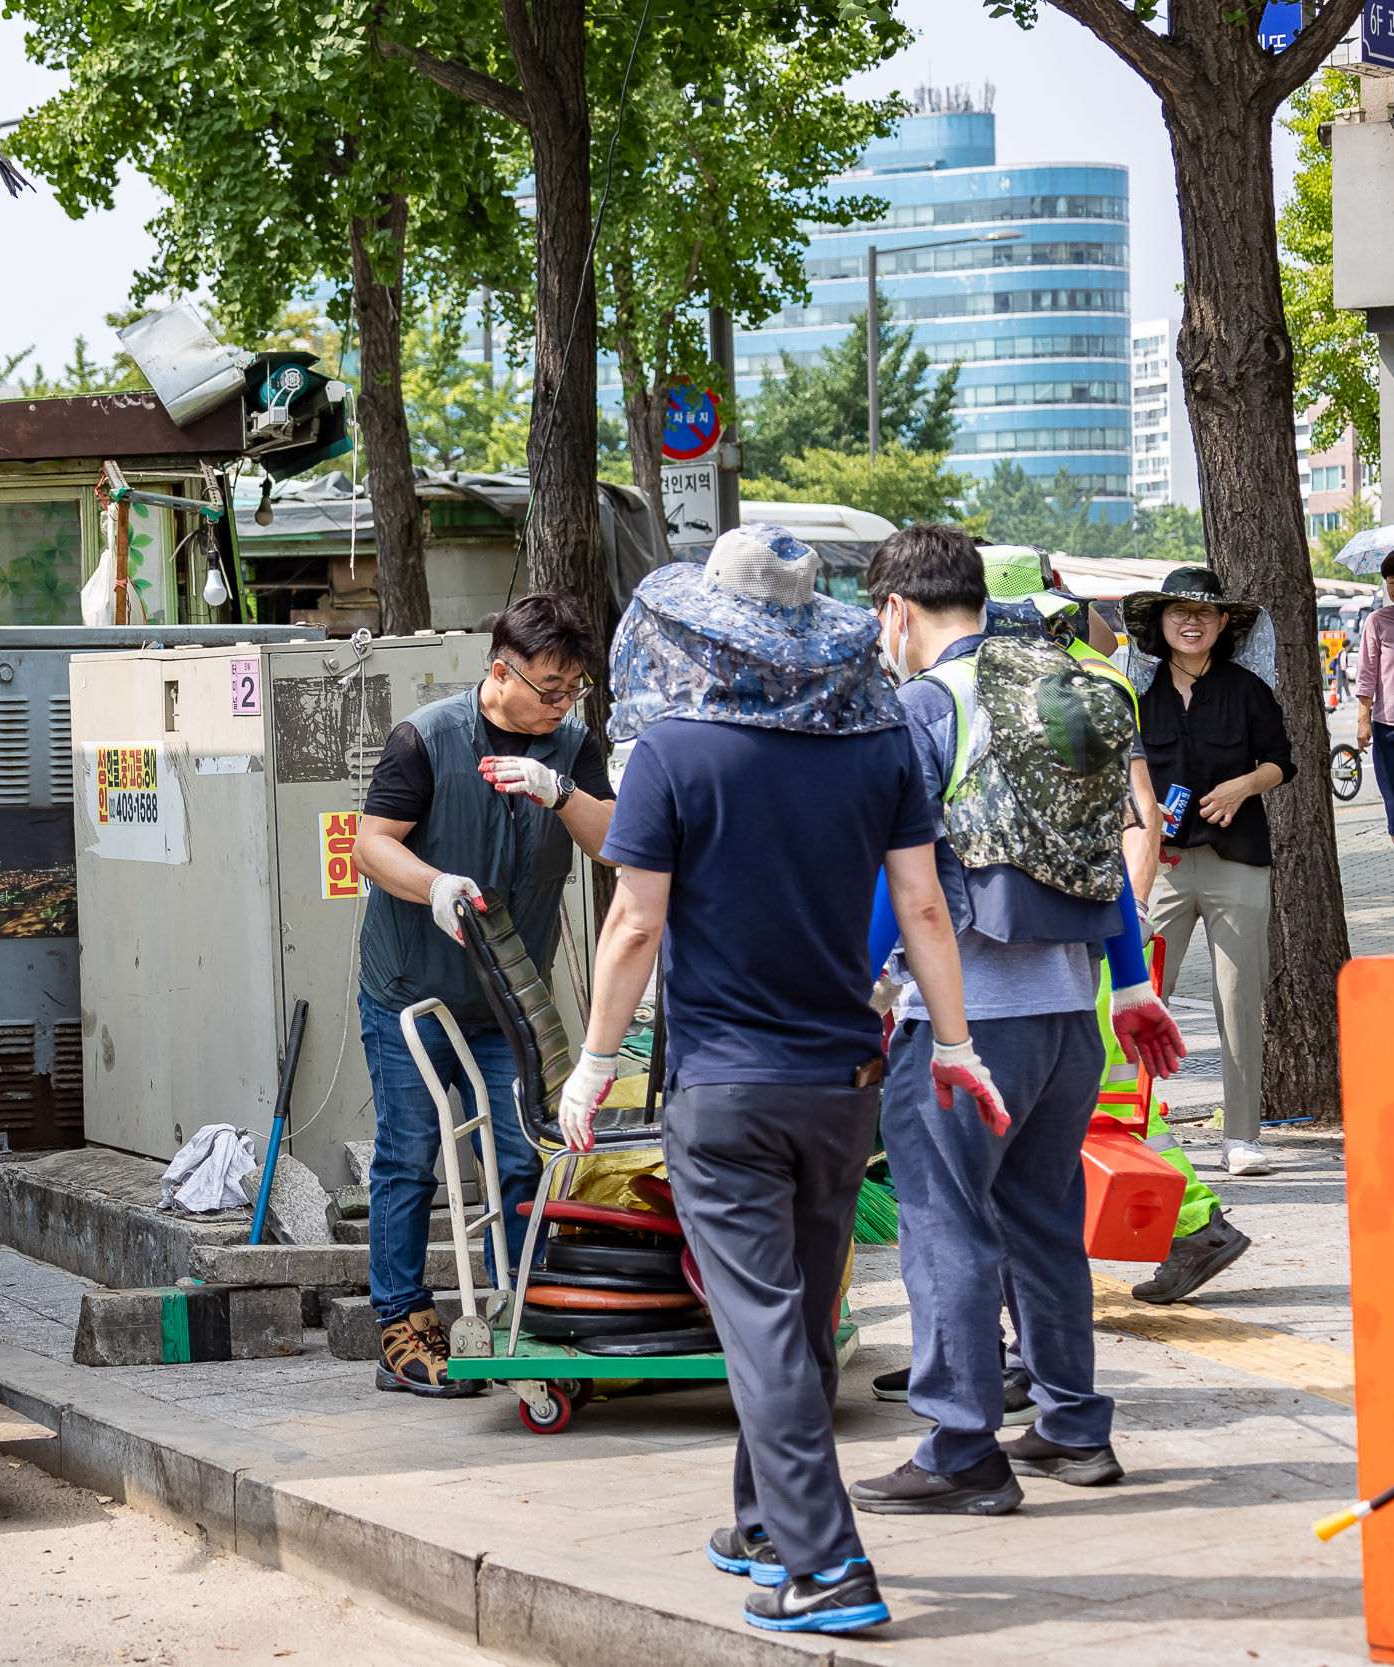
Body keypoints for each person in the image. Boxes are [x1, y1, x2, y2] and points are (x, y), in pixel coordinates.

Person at [560, 524, 1003, 1637]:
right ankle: (764, 1521)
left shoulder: (671, 750)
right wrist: (954, 1045)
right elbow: (923, 908)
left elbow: (632, 924)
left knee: (758, 1322)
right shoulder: (878, 746)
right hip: (842, 1080)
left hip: (725, 1086)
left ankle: (825, 1566)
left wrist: (593, 1061)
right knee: (797, 1312)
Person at [846, 525, 1185, 1518]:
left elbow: (900, 881)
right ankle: (1074, 1426)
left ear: (896, 609)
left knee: (945, 1225)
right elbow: (1112, 847)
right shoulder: (1070, 685)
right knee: (1040, 1222)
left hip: (964, 1029)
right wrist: (1129, 984)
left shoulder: (919, 706)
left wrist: (859, 996)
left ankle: (960, 1444)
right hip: (1066, 1017)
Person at [350, 594, 617, 1397]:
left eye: (573, 688)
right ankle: (399, 1321)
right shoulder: (426, 738)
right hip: (411, 990)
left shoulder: (572, 745)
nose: (561, 702)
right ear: (499, 671)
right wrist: (433, 887)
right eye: (547, 686)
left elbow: (616, 842)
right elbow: (371, 843)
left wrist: (559, 791)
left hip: (509, 999)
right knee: (408, 1156)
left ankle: (525, 1310)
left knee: (520, 1154)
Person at [972, 549, 1248, 1304]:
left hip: (1035, 937)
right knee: (1107, 1097)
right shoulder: (1100, 680)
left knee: (1077, 1099)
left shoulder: (978, 690)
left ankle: (1182, 1226)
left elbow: (1142, 818)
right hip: (1087, 929)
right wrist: (1113, 917)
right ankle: (1190, 1223)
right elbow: (1144, 819)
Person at [1124, 566, 1295, 1177]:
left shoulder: (1248, 690)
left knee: (1238, 1000)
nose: (1190, 622)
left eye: (1203, 613)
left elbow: (1282, 761)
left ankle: (1243, 1137)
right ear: (1159, 624)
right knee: (1136, 996)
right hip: (1160, 869)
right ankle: (1130, 1130)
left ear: (1224, 623)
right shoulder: (1135, 695)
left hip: (1238, 863)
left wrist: (1245, 785)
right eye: (1178, 613)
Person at [1356, 573, 1394, 841]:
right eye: (1391, 582)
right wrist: (1363, 721)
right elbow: (1367, 674)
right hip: (1387, 729)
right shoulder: (1377, 621)